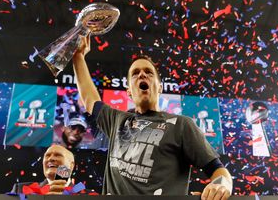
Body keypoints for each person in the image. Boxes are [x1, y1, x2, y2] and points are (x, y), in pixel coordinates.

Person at [72, 35, 232, 199]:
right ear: (128, 91)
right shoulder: (117, 120)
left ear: (160, 88)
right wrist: (78, 56)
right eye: (135, 73)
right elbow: (89, 98)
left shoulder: (181, 125)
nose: (142, 75)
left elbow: (217, 169)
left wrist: (221, 185)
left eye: (148, 72)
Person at [10, 144, 75, 194]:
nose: (50, 159)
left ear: (71, 165)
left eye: (58, 155)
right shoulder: (20, 189)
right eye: (47, 155)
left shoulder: (83, 192)